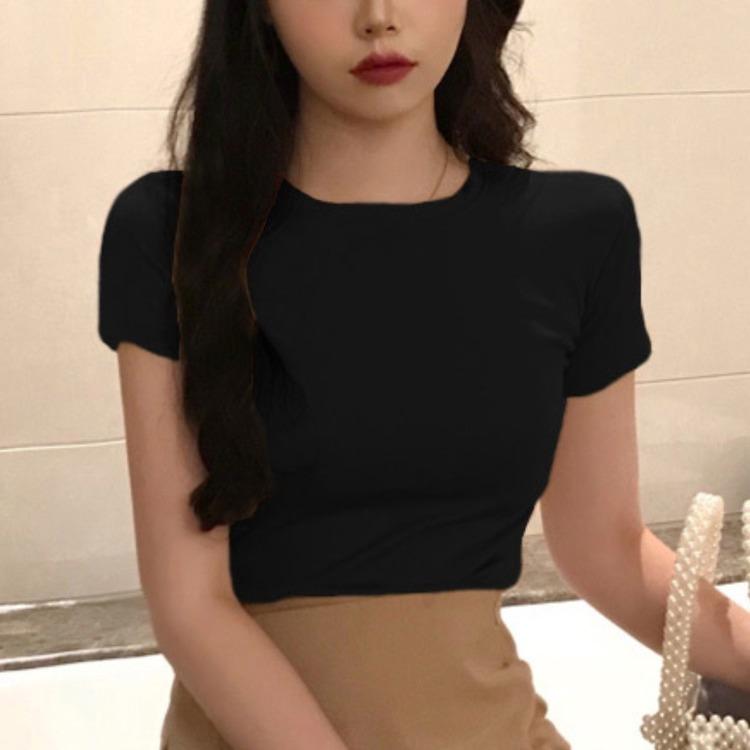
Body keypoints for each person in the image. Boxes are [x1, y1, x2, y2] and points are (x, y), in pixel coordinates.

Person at [97, 1, 653, 748]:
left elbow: (607, 547)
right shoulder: (170, 231)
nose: (379, 16)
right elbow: (190, 608)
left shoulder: (577, 231)